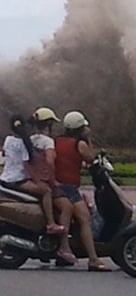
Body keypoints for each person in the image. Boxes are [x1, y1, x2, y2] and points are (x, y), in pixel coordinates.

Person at [54, 110, 112, 271]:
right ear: (80, 127)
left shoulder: (57, 141)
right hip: (69, 188)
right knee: (85, 219)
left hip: (58, 186)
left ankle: (64, 251)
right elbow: (91, 159)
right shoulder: (79, 144)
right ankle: (93, 259)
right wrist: (88, 140)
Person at [0, 114, 66, 235]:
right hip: (18, 179)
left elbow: (5, 154)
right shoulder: (24, 143)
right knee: (46, 191)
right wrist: (38, 181)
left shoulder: (8, 140)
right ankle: (51, 223)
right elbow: (27, 165)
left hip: (5, 177)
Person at [28, 107, 76, 264]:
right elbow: (49, 161)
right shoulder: (47, 142)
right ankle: (64, 246)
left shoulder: (30, 139)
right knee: (67, 207)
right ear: (48, 124)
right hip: (44, 181)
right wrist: (53, 179)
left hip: (32, 179)